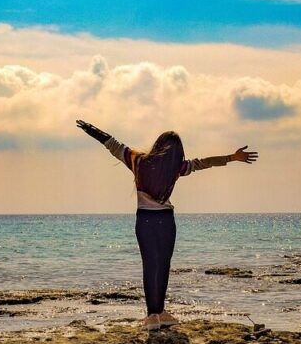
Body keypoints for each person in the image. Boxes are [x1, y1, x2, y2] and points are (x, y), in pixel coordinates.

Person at [76, 119, 258, 331]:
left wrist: (91, 130)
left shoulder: (138, 161)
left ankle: (154, 314)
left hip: (145, 220)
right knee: (162, 266)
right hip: (165, 221)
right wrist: (232, 158)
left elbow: (112, 144)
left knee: (150, 266)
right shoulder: (176, 167)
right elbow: (203, 162)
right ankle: (158, 311)